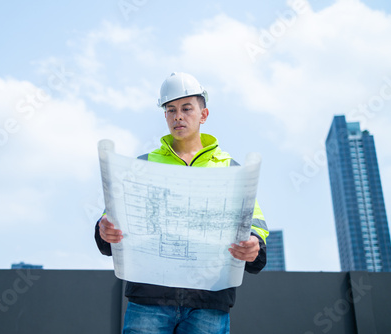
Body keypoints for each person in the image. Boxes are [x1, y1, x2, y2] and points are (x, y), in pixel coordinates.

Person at [95, 72, 269, 334]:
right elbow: (111, 217)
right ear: (165, 116)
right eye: (171, 109)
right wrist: (103, 228)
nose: (178, 116)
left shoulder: (230, 170)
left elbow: (255, 223)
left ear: (204, 115)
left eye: (187, 108)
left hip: (209, 301)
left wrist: (255, 242)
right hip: (150, 299)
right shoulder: (141, 167)